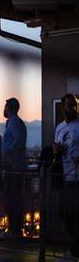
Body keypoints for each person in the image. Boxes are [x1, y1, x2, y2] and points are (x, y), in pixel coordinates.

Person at [53, 93, 79, 258]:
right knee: (64, 214)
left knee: (75, 215)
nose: (73, 108)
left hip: (77, 177)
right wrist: (56, 150)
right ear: (63, 107)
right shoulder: (59, 127)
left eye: (75, 105)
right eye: (70, 105)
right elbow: (56, 146)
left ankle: (76, 250)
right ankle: (74, 248)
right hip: (64, 176)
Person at [2, 98, 27, 238]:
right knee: (12, 197)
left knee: (12, 198)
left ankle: (14, 230)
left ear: (8, 108)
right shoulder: (13, 122)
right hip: (13, 165)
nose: (3, 109)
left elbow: (19, 139)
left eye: (4, 106)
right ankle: (14, 229)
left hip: (14, 166)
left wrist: (8, 151)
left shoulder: (14, 122)